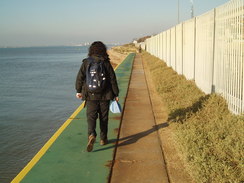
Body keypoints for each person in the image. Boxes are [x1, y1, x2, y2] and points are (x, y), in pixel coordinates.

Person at [75, 41, 119, 152]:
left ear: (91, 50)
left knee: (91, 117)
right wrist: (116, 94)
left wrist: (78, 91)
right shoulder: (106, 62)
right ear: (103, 50)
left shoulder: (86, 62)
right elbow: (112, 79)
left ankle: (91, 135)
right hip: (105, 95)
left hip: (90, 95)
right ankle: (103, 139)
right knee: (104, 118)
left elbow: (80, 77)